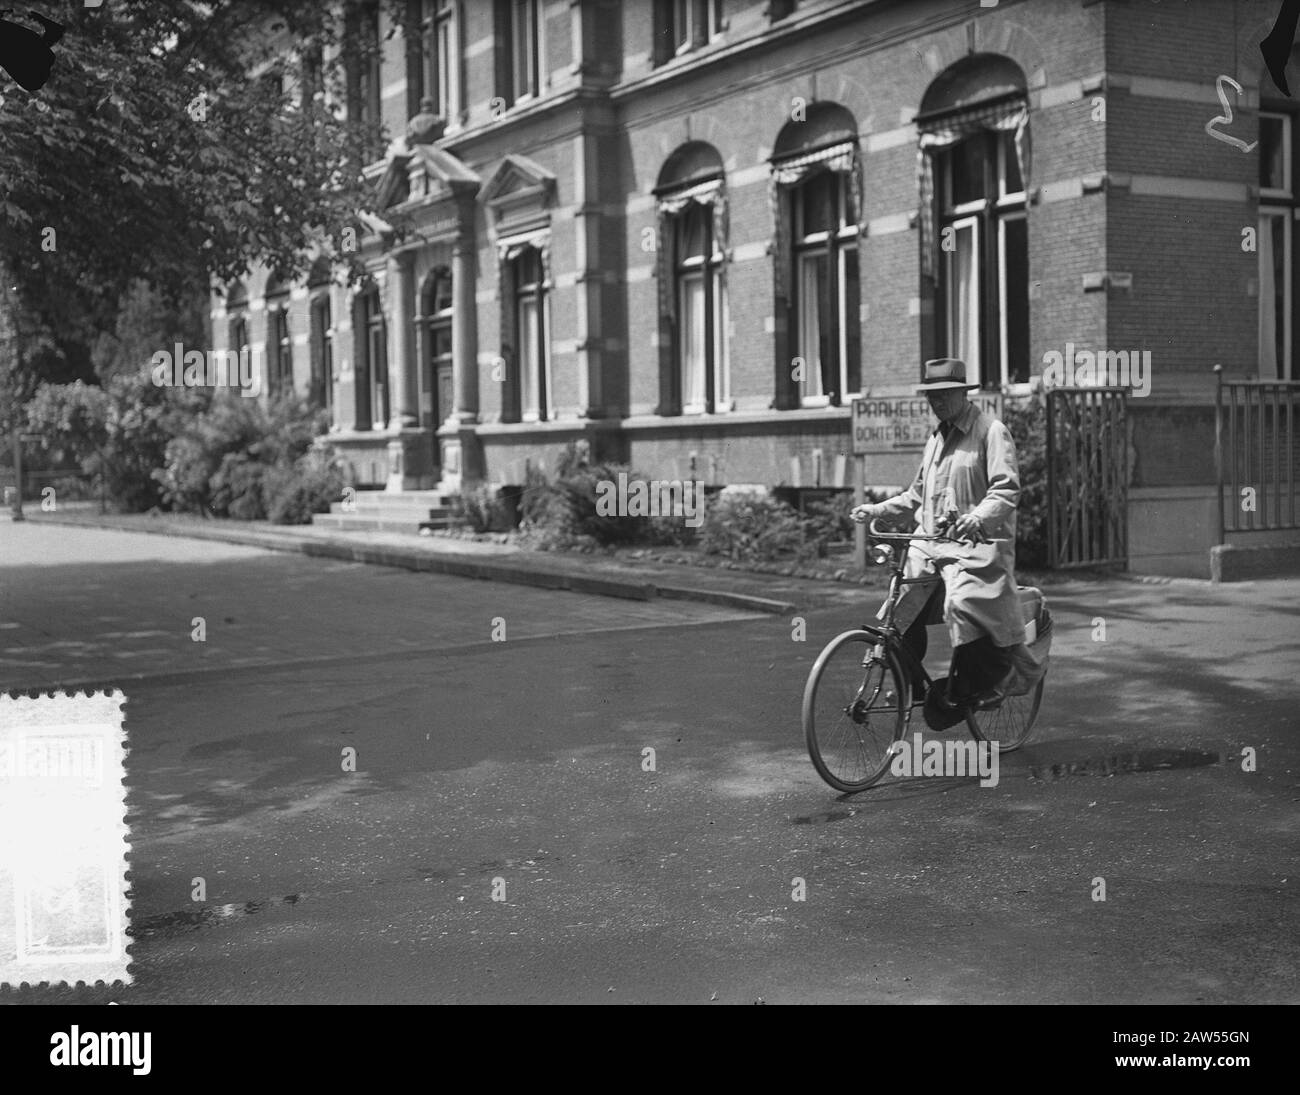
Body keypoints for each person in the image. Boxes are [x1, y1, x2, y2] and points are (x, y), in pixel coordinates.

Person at [851, 358, 1026, 713]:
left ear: (963, 392)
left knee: (962, 606)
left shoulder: (990, 432)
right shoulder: (935, 440)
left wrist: (978, 517)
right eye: (932, 395)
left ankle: (978, 689)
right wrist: (876, 509)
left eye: (945, 393)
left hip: (974, 548)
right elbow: (915, 496)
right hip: (929, 545)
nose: (937, 402)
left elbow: (1006, 490)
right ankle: (912, 687)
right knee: (897, 610)